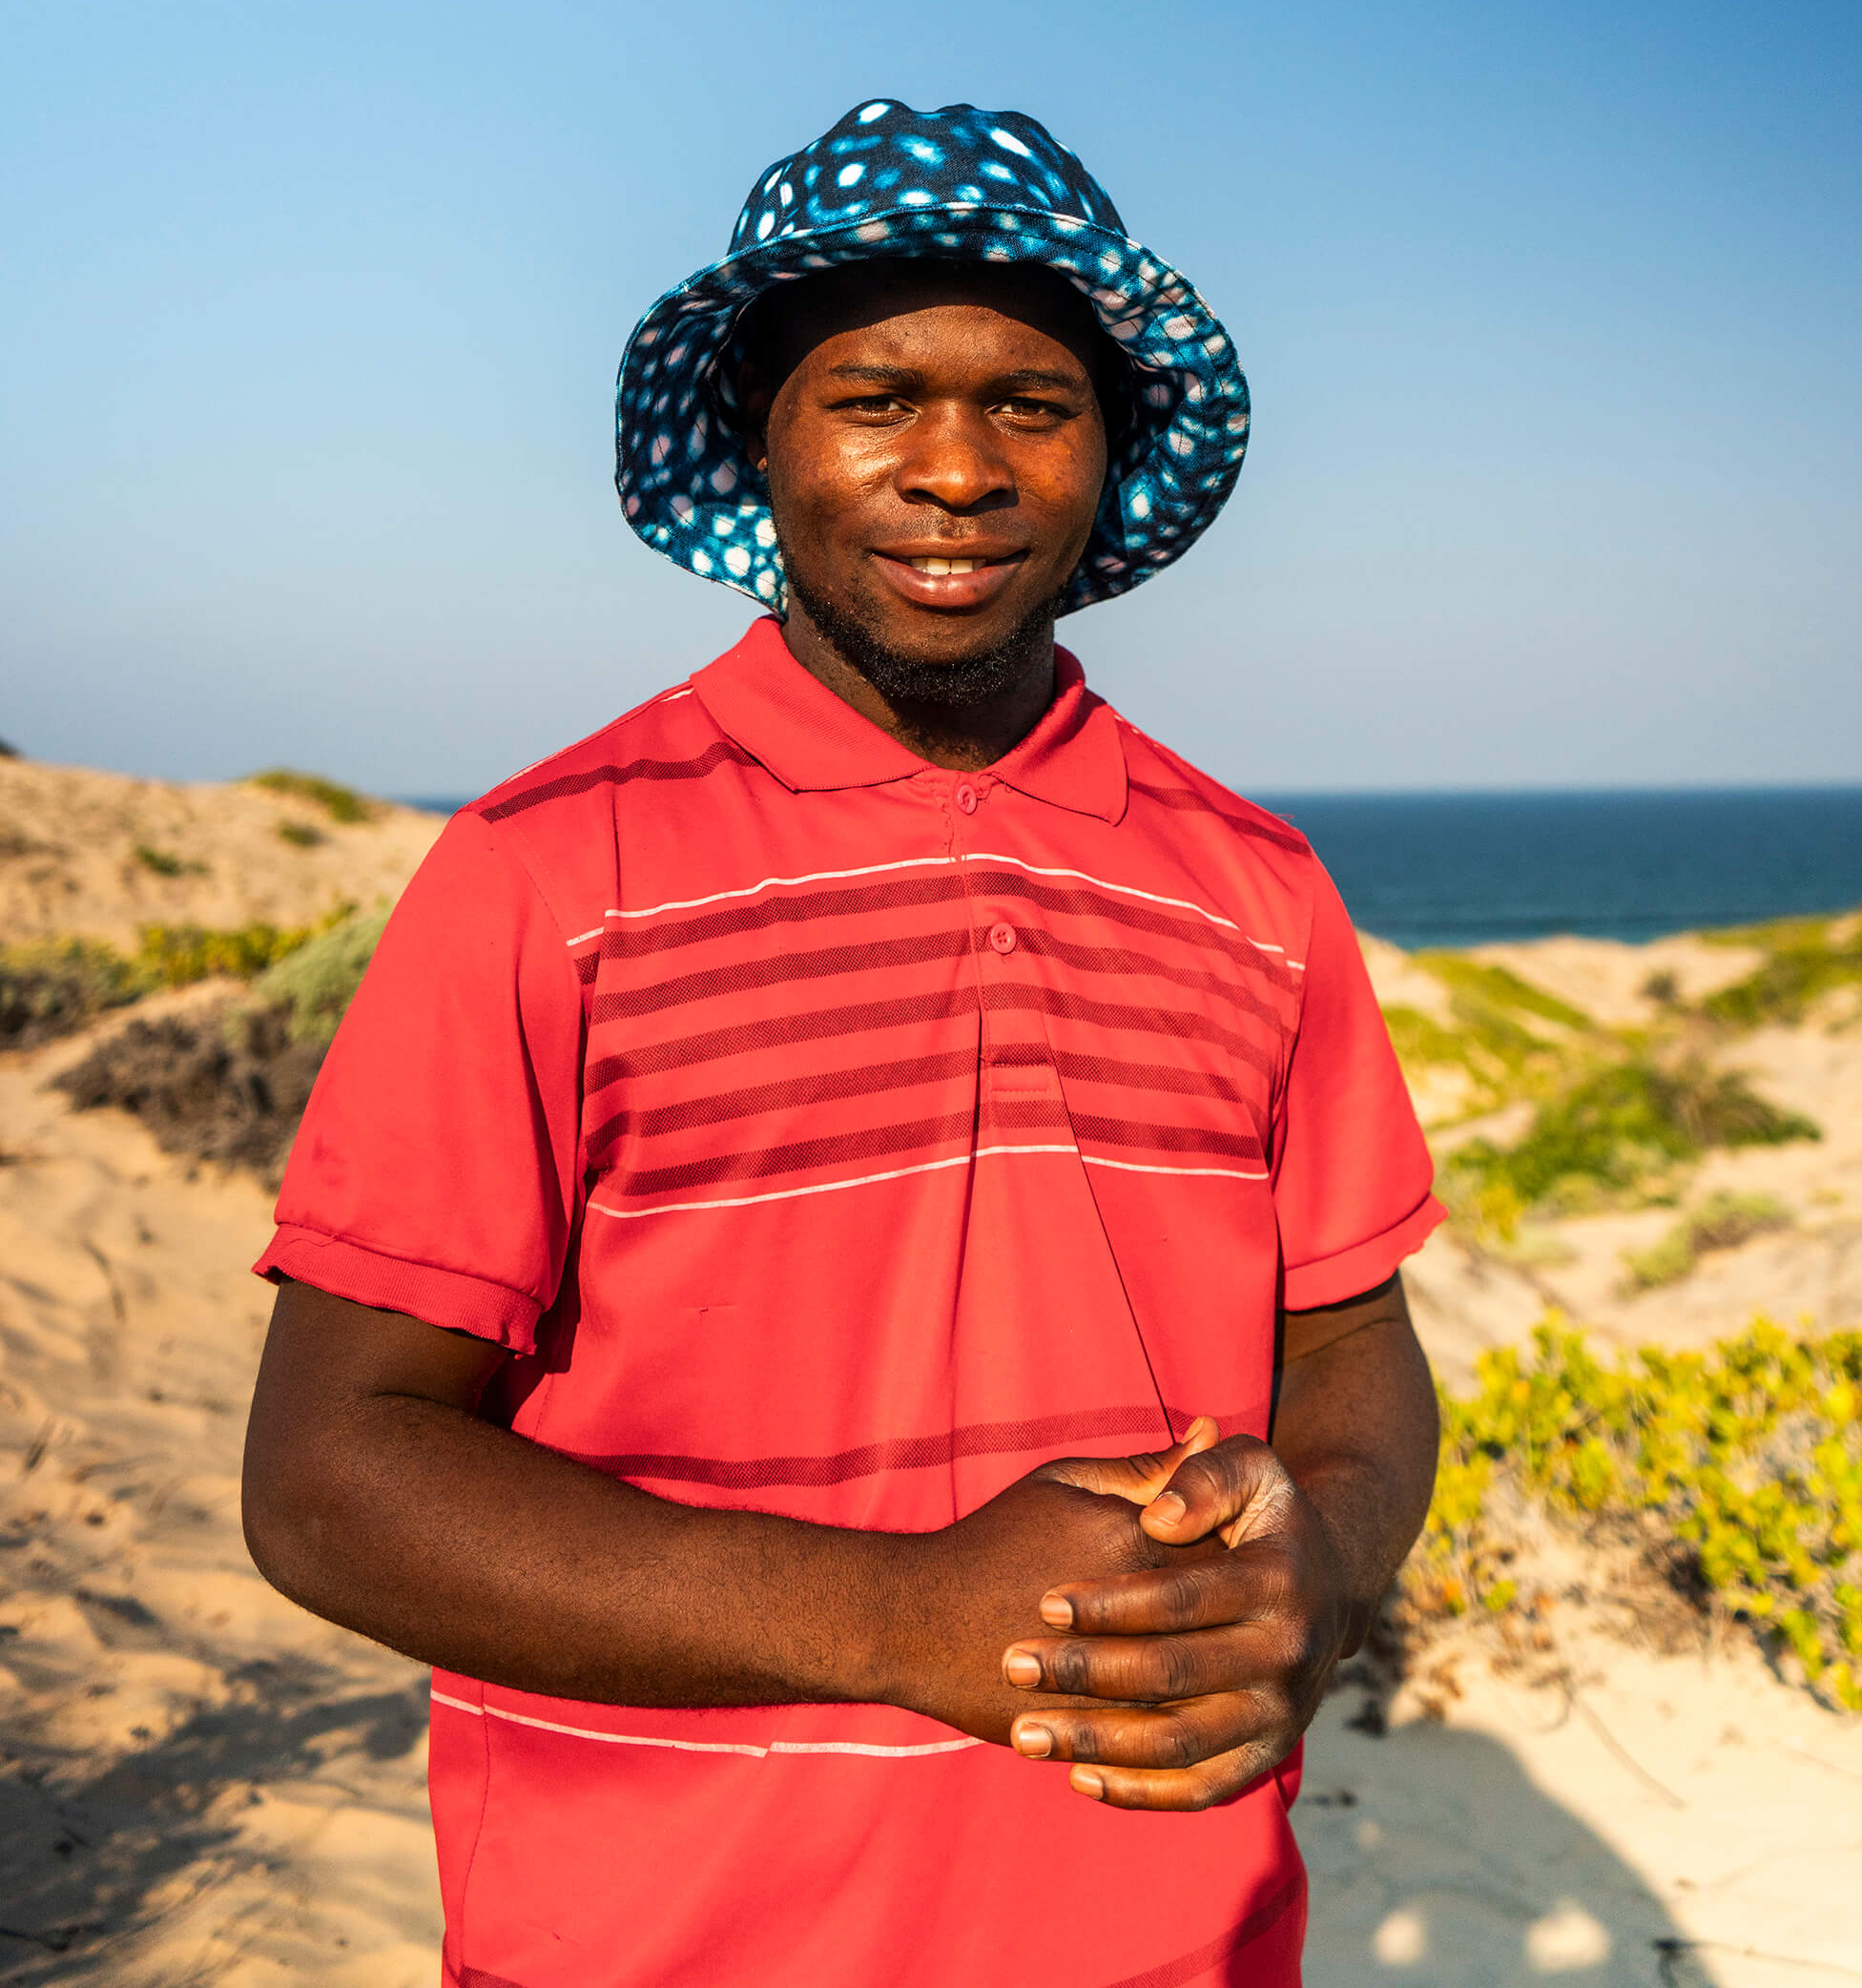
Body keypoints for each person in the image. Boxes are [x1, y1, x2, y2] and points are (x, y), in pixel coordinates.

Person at [242, 99, 1443, 1988]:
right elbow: (330, 1478)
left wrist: (1328, 1566)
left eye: (1030, 405)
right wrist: (899, 1617)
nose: (955, 468)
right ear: (761, 438)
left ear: (1108, 456)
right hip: (643, 1942)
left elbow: (1352, 1350)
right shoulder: (549, 869)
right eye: (874, 396)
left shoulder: (1253, 885)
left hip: (1174, 1939)